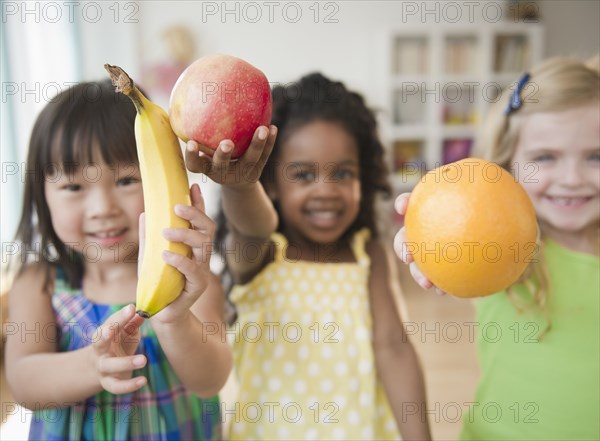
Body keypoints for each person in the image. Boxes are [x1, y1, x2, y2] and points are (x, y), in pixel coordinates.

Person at [185, 73, 432, 440]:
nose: (326, 191)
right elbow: (251, 226)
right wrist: (241, 185)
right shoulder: (262, 253)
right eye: (303, 175)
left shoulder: (369, 255)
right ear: (270, 182)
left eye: (343, 173)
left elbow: (394, 350)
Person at [5, 79, 232, 440]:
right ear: (41, 195)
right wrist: (93, 365)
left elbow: (210, 381)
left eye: (127, 180)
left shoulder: (191, 282)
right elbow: (24, 383)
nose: (103, 209)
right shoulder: (40, 284)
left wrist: (174, 318)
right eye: (74, 187)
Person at [394, 56, 600, 440]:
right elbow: (456, 245)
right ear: (508, 164)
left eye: (596, 156)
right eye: (545, 158)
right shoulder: (509, 248)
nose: (572, 179)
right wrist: (426, 240)